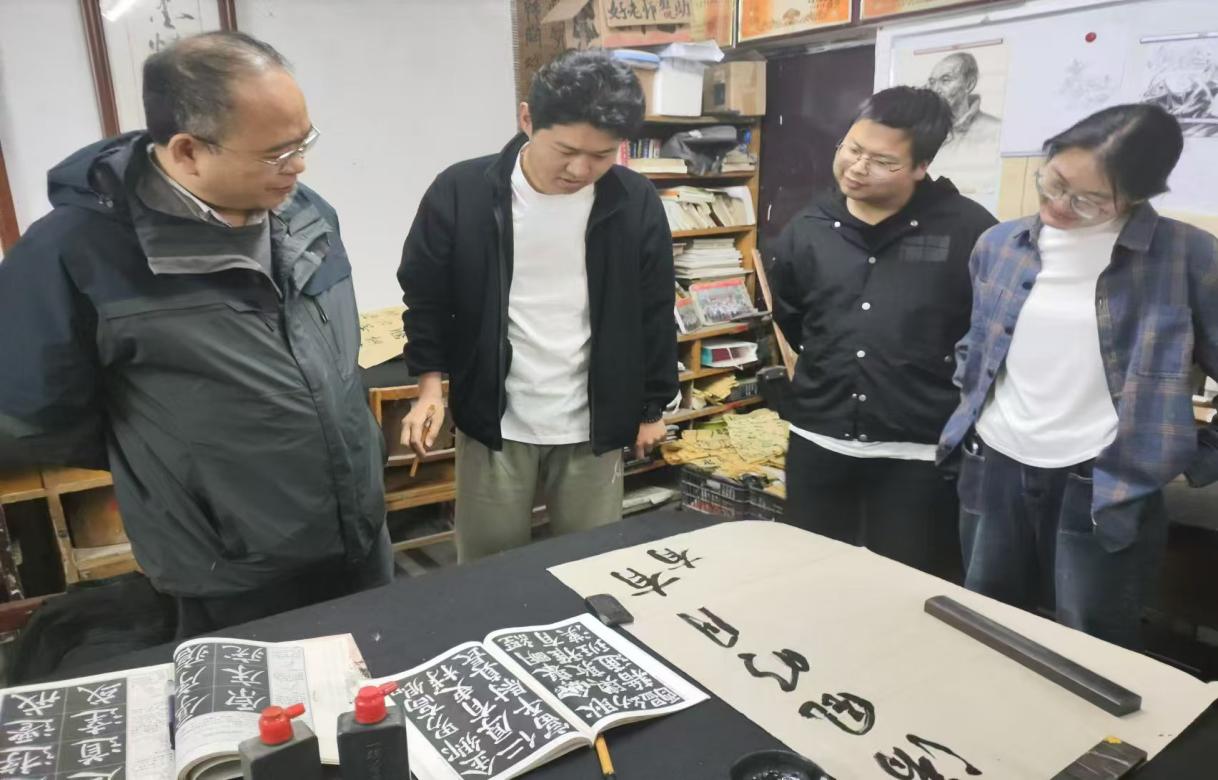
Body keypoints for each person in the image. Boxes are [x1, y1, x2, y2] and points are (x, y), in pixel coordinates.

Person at [0, 32, 392, 636]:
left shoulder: (305, 212)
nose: (299, 165)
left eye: (304, 141)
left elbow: (331, 354)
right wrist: (180, 468)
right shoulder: (75, 254)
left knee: (380, 671)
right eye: (276, 153)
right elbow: (41, 416)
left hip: (357, 533)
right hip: (230, 567)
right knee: (255, 692)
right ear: (187, 152)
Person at [939, 104, 1218, 648]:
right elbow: (977, 343)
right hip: (994, 462)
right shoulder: (999, 245)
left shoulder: (1189, 258)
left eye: (1089, 199)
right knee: (986, 626)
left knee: (1092, 641)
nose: (1059, 206)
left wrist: (1192, 454)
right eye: (1054, 182)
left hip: (1107, 480)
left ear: (1139, 195)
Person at [397, 50, 677, 563]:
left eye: (602, 155)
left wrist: (652, 407)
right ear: (527, 119)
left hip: (594, 422)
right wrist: (429, 387)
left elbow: (654, 309)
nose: (580, 169)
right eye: (565, 150)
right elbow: (426, 296)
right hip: (495, 419)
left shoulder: (634, 201)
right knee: (488, 569)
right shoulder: (463, 191)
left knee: (593, 566)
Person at [769, 87, 996, 580]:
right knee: (809, 579)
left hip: (917, 453)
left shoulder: (969, 231)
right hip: (819, 440)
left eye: (882, 161)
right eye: (852, 148)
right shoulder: (808, 227)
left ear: (921, 166)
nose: (857, 167)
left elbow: (990, 334)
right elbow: (793, 317)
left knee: (907, 588)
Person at [926, 52, 1002, 152]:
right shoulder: (923, 129)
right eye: (932, 82)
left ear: (969, 84)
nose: (935, 89)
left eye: (945, 80)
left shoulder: (995, 130)